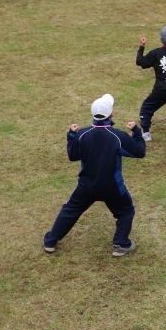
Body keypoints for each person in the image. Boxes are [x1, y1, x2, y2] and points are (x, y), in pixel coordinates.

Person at [43, 93, 144, 257]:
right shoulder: (119, 136)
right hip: (112, 187)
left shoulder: (82, 134)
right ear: (111, 114)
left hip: (86, 186)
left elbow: (72, 156)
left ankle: (50, 241)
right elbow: (139, 152)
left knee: (70, 210)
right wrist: (136, 132)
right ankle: (121, 243)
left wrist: (71, 136)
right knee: (126, 211)